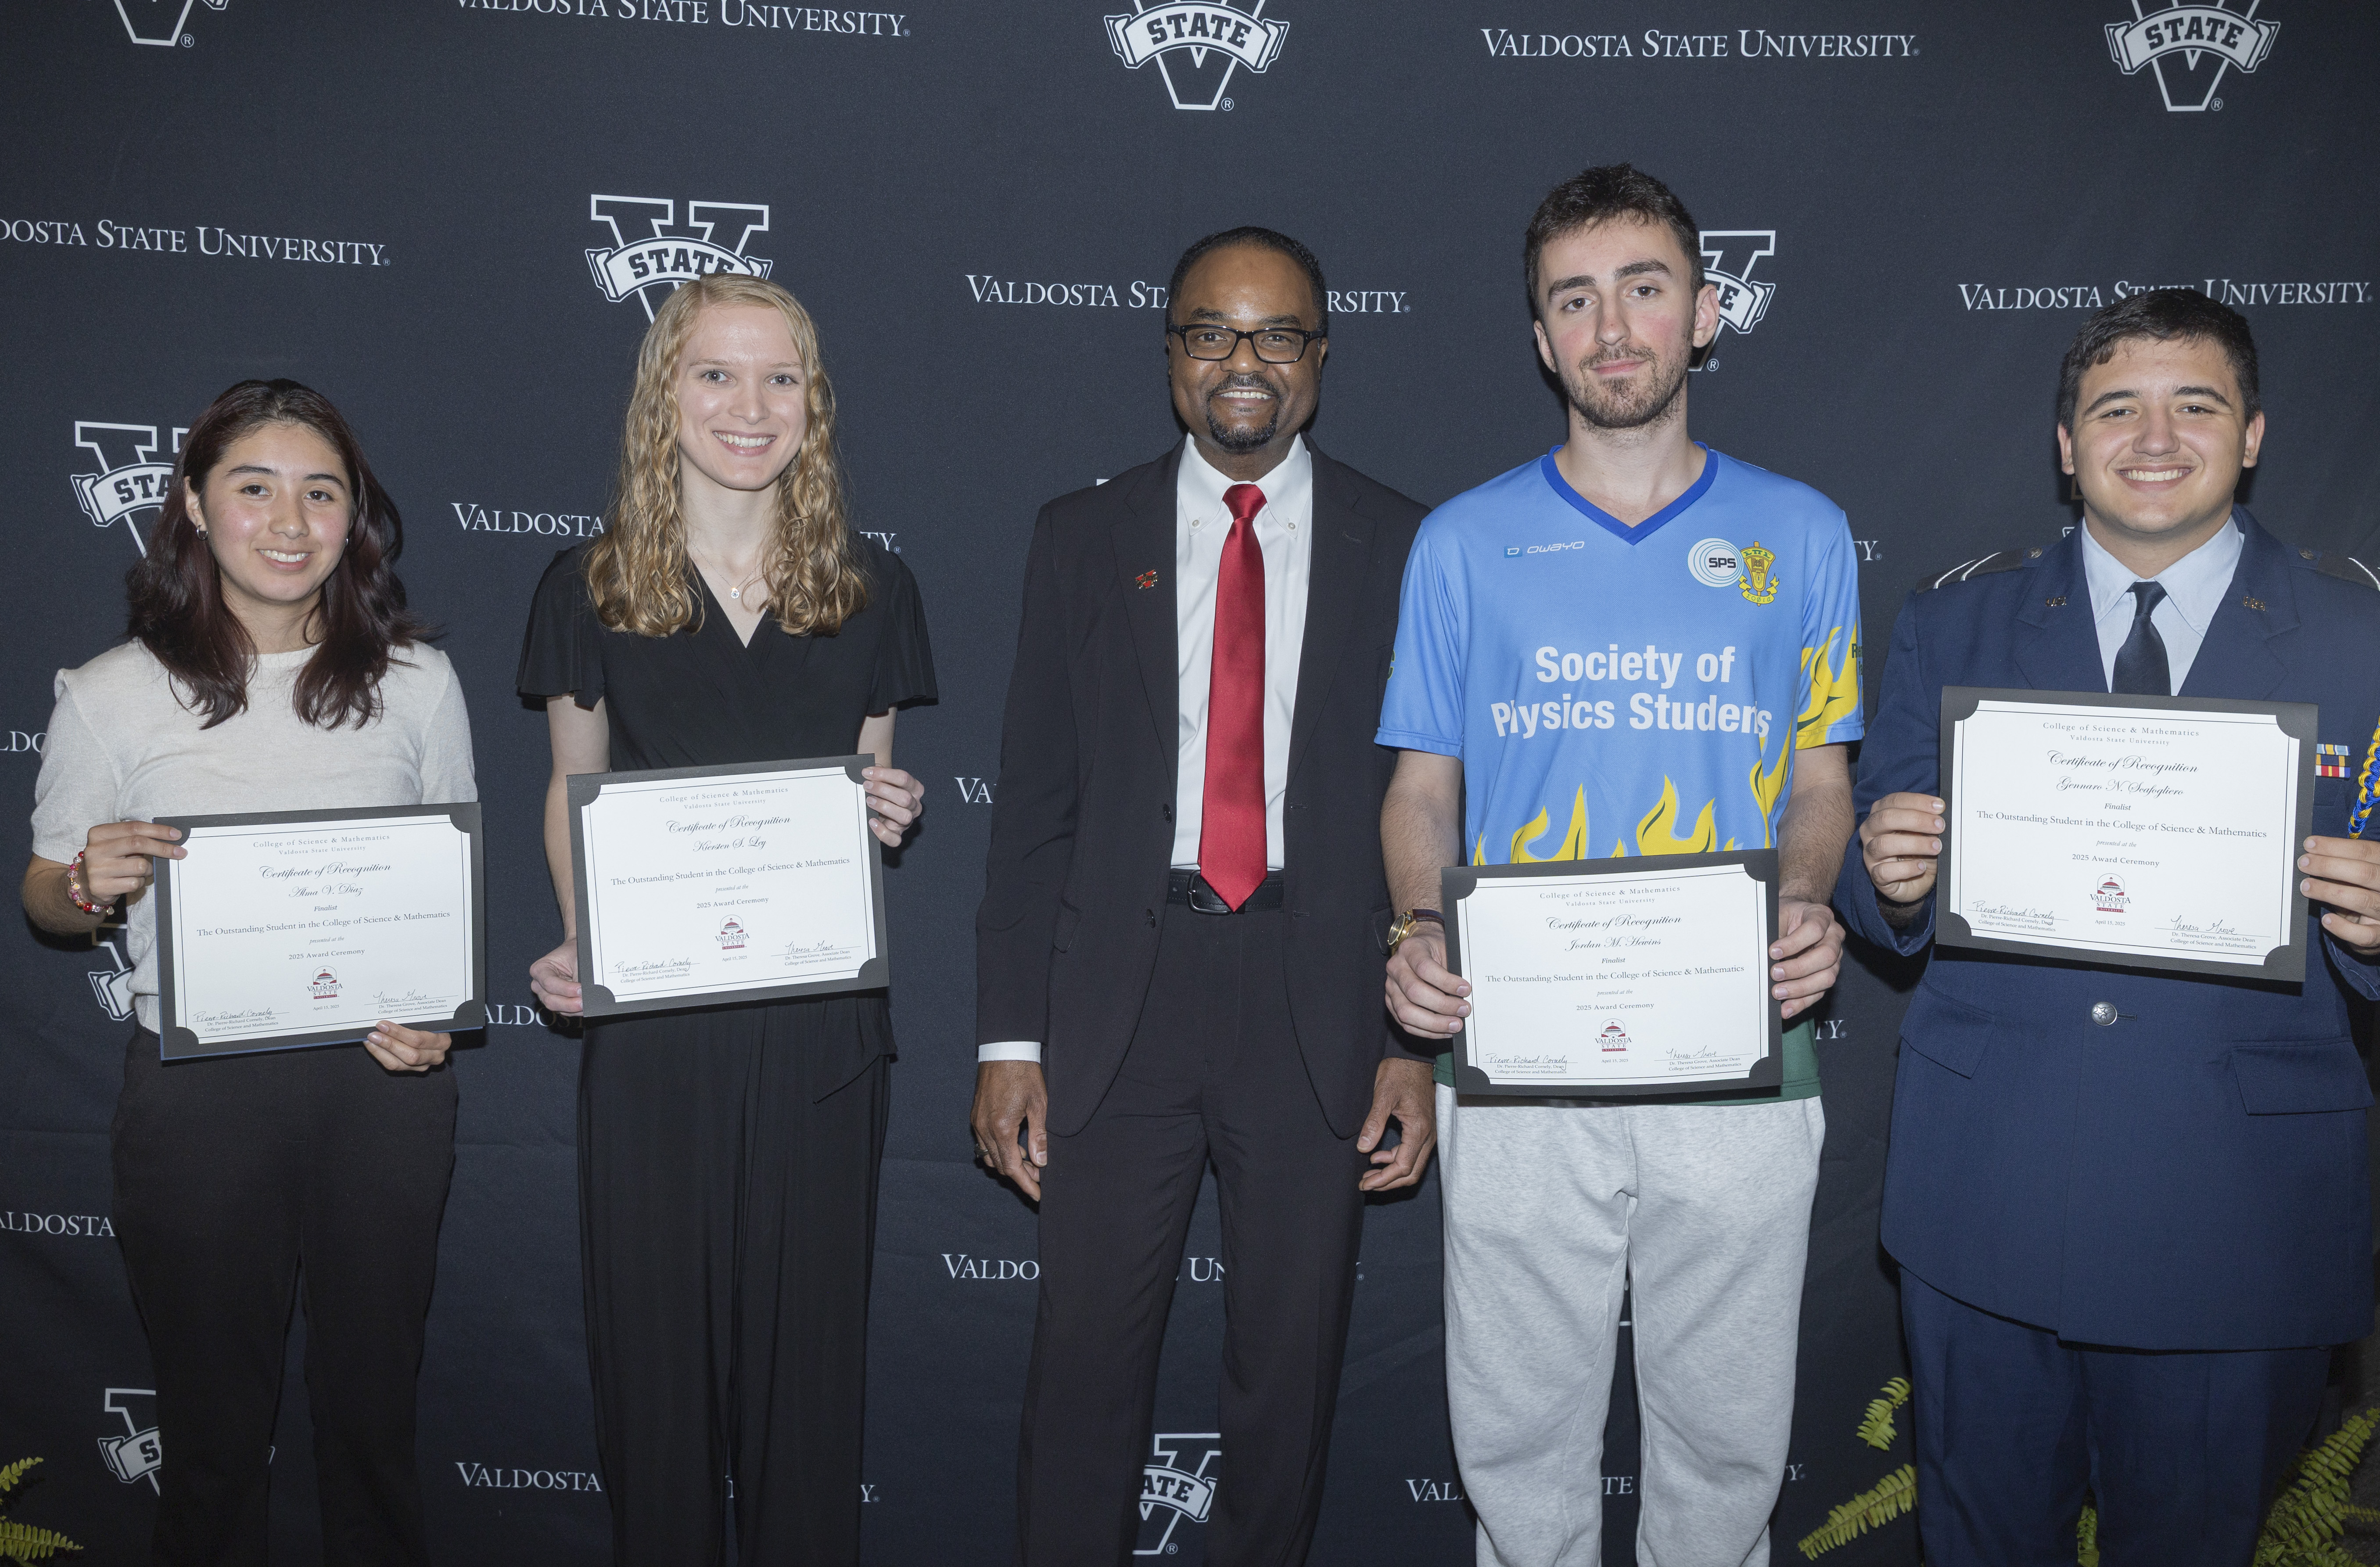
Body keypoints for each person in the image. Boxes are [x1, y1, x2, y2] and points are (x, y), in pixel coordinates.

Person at [1838, 288, 2380, 1565]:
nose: (2153, 436)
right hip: (1988, 1196)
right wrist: (1889, 878)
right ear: (2064, 445)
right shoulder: (1950, 616)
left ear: (2250, 435)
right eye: (2113, 407)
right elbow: (1869, 882)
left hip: (2231, 1212)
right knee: (1978, 1541)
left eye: (2195, 404)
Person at [1378, 165, 1862, 1567]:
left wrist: (1806, 895)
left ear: (1703, 313)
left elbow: (1822, 780)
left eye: (1643, 289)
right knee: (1517, 1434)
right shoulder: (1461, 540)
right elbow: (1421, 783)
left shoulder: (1802, 530)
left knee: (1727, 1435)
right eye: (1572, 300)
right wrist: (1417, 926)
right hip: (1518, 1053)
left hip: (1738, 1044)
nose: (1611, 328)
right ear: (1540, 339)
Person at [970, 225, 1432, 1566]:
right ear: (1170, 352)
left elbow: (1432, 805)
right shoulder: (1079, 535)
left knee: (1285, 1386)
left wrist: (1414, 1044)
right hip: (1121, 1000)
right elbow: (1033, 812)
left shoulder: (1402, 541)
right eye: (1211, 333)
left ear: (1321, 359)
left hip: (1322, 1004)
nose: (1244, 362)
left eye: (1277, 334)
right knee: (1079, 1379)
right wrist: (1010, 1039)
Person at [518, 274, 934, 1565]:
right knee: (656, 1384)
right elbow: (573, 791)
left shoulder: (872, 589)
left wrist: (885, 806)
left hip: (821, 1038)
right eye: (715, 374)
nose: (748, 407)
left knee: (808, 1391)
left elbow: (865, 791)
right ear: (665, 397)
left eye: (780, 378)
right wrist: (591, 942)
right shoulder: (586, 585)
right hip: (656, 1040)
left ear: (814, 403)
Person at [24, 379, 473, 1566]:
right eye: (254, 487)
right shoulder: (109, 691)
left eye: (321, 492)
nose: (289, 519)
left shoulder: (419, 679)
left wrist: (436, 1017)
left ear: (354, 516)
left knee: (373, 1425)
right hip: (200, 1097)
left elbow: (449, 871)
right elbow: (43, 890)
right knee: (215, 1443)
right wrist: (85, 881)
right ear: (192, 505)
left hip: (385, 1089)